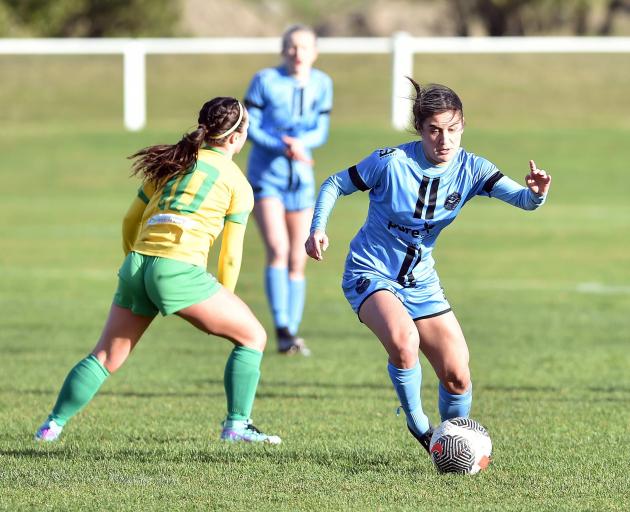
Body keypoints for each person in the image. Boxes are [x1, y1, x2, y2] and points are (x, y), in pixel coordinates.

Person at [305, 79, 551, 453]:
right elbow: (334, 183)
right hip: (369, 272)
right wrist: (317, 228)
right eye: (434, 130)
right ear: (420, 129)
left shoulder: (472, 169)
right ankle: (421, 429)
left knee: (456, 375)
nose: (444, 140)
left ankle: (453, 446)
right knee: (405, 342)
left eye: (452, 130)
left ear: (463, 126)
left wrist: (537, 193)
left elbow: (523, 200)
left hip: (421, 282)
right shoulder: (390, 162)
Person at [35, 97, 281, 445]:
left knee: (105, 355)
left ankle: (51, 426)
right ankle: (237, 426)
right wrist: (225, 296)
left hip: (137, 264)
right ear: (234, 139)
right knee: (252, 337)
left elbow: (130, 220)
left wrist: (135, 266)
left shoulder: (175, 162)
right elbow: (230, 254)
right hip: (178, 270)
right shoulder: (238, 183)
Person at [244, 24, 333, 355]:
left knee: (300, 256)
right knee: (278, 249)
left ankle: (291, 334)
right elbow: (249, 126)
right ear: (283, 50)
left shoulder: (323, 83)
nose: (298, 54)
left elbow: (320, 131)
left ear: (315, 52)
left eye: (304, 48)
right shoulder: (265, 80)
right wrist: (283, 147)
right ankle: (281, 327)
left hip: (302, 181)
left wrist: (301, 144)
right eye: (292, 47)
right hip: (267, 177)